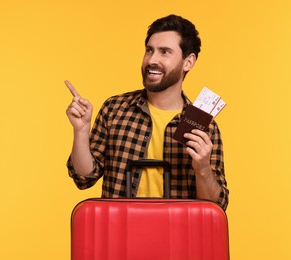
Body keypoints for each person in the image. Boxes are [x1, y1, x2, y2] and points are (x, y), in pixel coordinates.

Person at [65, 14, 229, 210]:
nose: (152, 59)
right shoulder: (114, 108)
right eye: (149, 50)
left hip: (178, 237)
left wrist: (203, 168)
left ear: (188, 62)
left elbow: (215, 207)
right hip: (120, 234)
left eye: (165, 52)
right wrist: (81, 132)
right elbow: (84, 178)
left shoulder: (206, 128)